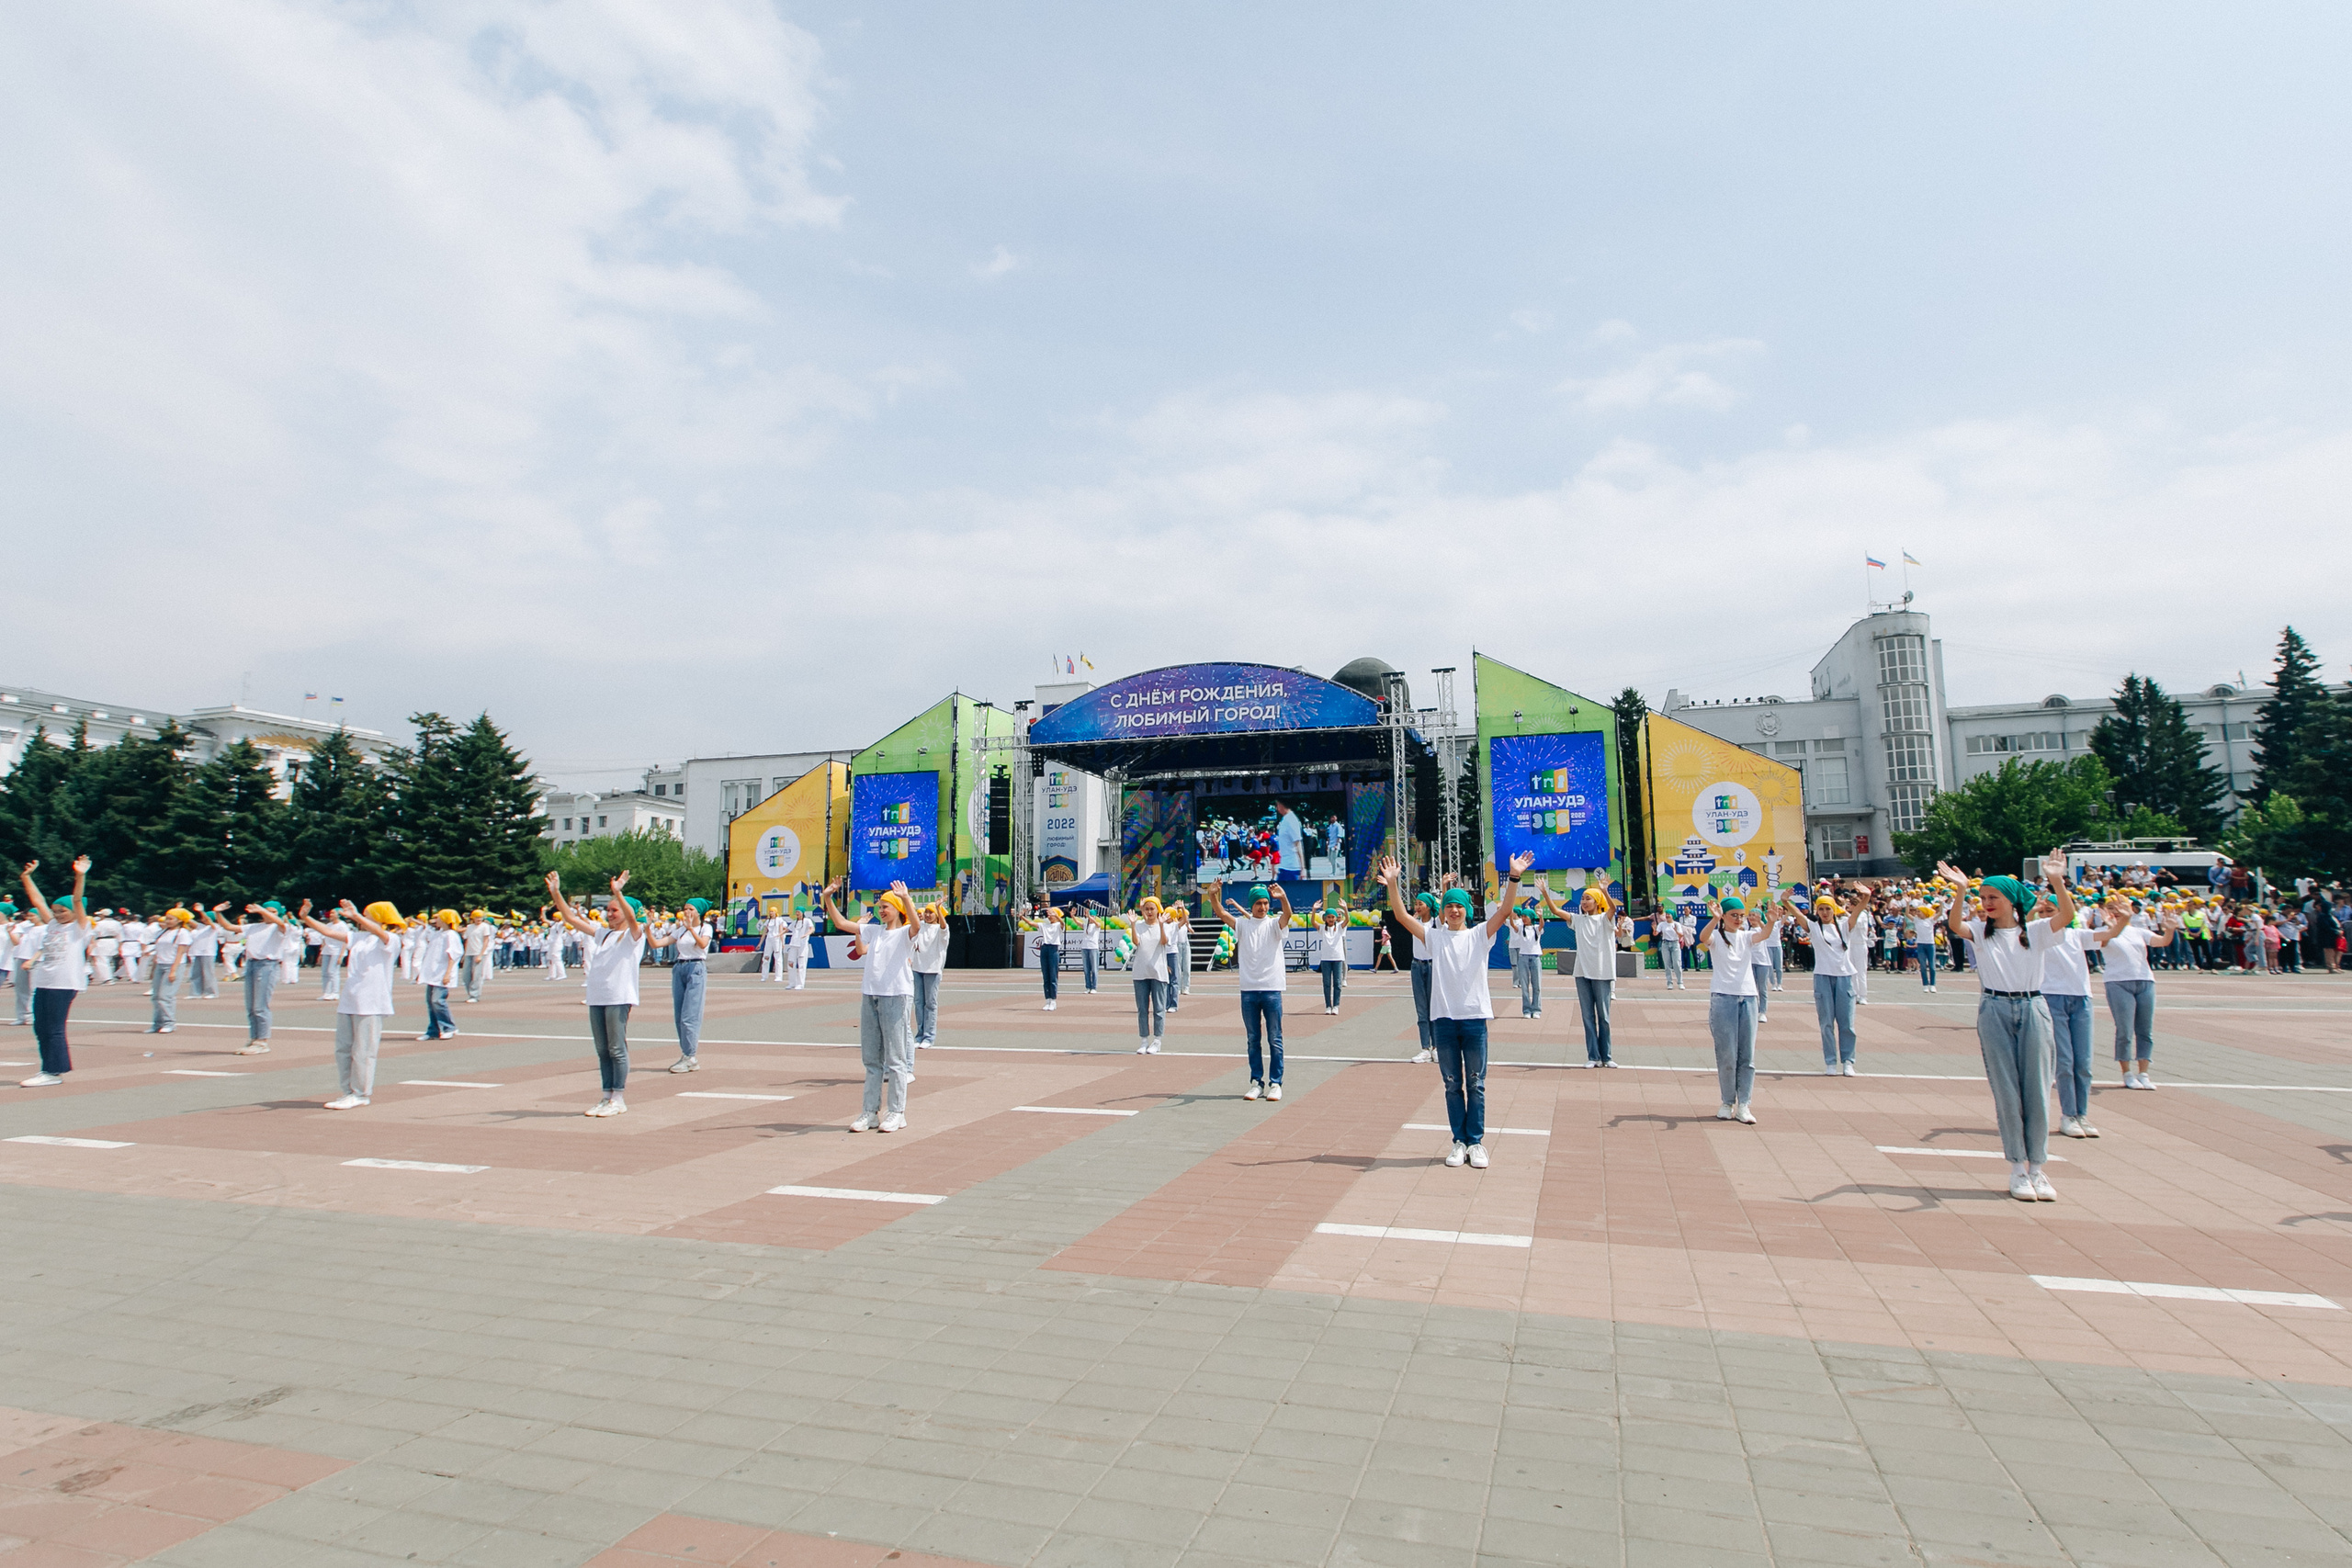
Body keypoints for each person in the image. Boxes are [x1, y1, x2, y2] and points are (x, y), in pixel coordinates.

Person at [1939, 854, 2075, 1201]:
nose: (1986, 904)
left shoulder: (2037, 932)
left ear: (2011, 900)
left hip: (2033, 1007)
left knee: (2038, 1092)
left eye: (1993, 898)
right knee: (2007, 1093)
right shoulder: (1981, 934)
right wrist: (1961, 891)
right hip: (1994, 1009)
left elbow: (2067, 916)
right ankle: (2017, 1169)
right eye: (1982, 898)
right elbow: (1956, 925)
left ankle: (2038, 1170)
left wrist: (2056, 881)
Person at [1383, 851, 1529, 1168]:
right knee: (1452, 1085)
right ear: (1443, 910)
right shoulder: (1434, 937)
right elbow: (1402, 917)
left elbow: (1505, 911)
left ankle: (1476, 1143)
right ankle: (1458, 1142)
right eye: (1449, 905)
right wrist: (1393, 885)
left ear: (1467, 910)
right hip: (1445, 1022)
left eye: (1459, 905)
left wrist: (1514, 876)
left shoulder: (1480, 936)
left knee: (1476, 1083)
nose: (1453, 910)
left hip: (1475, 1020)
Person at [547, 871, 644, 1116]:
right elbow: (570, 917)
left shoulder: (634, 935)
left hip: (619, 997)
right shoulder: (605, 934)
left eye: (614, 910)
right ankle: (606, 1096)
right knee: (602, 1049)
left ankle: (619, 1098)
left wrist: (618, 892)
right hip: (597, 997)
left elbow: (632, 918)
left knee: (616, 1048)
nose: (609, 914)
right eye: (608, 910)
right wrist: (556, 892)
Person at [823, 876, 917, 1132]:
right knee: (872, 1060)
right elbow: (842, 923)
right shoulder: (874, 931)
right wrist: (828, 897)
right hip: (871, 996)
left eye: (886, 906)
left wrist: (906, 898)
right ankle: (870, 1112)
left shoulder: (904, 933)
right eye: (880, 907)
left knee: (896, 1060)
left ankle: (897, 1112)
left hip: (896, 996)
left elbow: (916, 926)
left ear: (897, 909)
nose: (881, 910)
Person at [2087, 890, 2180, 1089]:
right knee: (2125, 1030)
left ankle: (2144, 1072)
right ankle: (2127, 1072)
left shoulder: (2139, 931)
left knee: (2145, 1030)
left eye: (2120, 907)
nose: (2116, 911)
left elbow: (2162, 941)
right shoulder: (2105, 931)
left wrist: (2170, 930)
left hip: (2145, 981)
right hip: (2118, 983)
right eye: (2111, 908)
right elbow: (2103, 942)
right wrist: (2112, 927)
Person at [1210, 878, 1292, 1100]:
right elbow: (1221, 913)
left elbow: (1287, 917)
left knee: (1275, 1038)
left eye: (1266, 903)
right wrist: (1212, 895)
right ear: (1251, 905)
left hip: (1272, 989)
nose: (1263, 907)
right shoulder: (1243, 925)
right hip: (1249, 990)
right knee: (1253, 1038)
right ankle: (1257, 1082)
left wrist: (1283, 898)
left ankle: (1276, 1083)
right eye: (1259, 903)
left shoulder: (1274, 925)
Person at [17, 858, 92, 1086]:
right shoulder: (52, 925)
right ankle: (48, 1069)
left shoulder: (80, 927)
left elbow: (77, 899)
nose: (58, 915)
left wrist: (80, 875)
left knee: (54, 1028)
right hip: (44, 981)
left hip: (64, 983)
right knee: (40, 1027)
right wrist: (26, 877)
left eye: (62, 911)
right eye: (55, 911)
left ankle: (52, 1072)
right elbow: (37, 900)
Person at [1695, 894, 1767, 1123]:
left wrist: (1772, 921)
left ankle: (1744, 1104)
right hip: (1723, 998)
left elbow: (1763, 935)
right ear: (1724, 916)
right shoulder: (1716, 935)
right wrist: (1714, 919)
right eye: (1733, 915)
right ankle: (1727, 1102)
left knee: (1747, 1055)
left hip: (1748, 998)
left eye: (1741, 915)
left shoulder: (1746, 937)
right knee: (1727, 1054)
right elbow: (1703, 937)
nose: (1738, 919)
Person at [1546, 878, 1634, 1066]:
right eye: (1582, 899)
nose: (1584, 902)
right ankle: (1593, 1056)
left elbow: (1613, 909)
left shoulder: (1605, 919)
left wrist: (1605, 891)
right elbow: (1555, 911)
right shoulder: (1578, 920)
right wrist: (1545, 892)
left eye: (1588, 898)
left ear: (1596, 902)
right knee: (1587, 1016)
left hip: (1602, 972)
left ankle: (1607, 1056)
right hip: (1582, 973)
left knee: (1604, 1016)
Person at [2038, 890, 2099, 1139]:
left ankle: (2081, 1115)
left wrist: (2123, 918)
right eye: (2041, 912)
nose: (2044, 917)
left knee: (2083, 1063)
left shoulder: (2076, 935)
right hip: (2052, 998)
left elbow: (2108, 935)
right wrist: (2036, 913)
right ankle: (2068, 1115)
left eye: (2049, 912)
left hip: (2081, 999)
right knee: (2064, 1062)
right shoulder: (2037, 934)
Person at [1792, 887, 1867, 1075]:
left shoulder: (1843, 925)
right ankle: (1830, 1062)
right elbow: (1798, 914)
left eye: (1828, 909)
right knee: (1826, 1023)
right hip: (1822, 977)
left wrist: (1867, 896)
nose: (1825, 913)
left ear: (1834, 910)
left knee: (1846, 1022)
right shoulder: (1814, 927)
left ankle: (1848, 1061)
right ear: (1817, 911)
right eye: (1821, 909)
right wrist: (1786, 901)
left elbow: (1858, 910)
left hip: (1844, 977)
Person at [650, 898, 713, 1072]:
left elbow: (703, 944)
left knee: (690, 1015)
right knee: (679, 1015)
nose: (686, 912)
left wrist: (691, 928)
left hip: (696, 967)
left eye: (690, 909)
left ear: (698, 912)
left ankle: (690, 1056)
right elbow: (657, 944)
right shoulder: (680, 930)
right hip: (680, 968)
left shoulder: (705, 928)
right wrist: (647, 928)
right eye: (685, 909)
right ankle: (686, 1054)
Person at [236, 901, 295, 1055]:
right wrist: (217, 913)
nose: (268, 914)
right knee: (251, 1006)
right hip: (251, 964)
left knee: (260, 1006)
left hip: (267, 965)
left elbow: (280, 923)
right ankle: (254, 1038)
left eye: (273, 911)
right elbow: (230, 928)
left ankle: (262, 1041)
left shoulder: (280, 927)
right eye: (265, 911)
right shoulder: (254, 927)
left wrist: (262, 909)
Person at [1128, 897, 1179, 1053]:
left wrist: (1162, 926)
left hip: (1159, 972)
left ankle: (1157, 1040)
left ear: (1158, 910)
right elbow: (1136, 942)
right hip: (1140, 972)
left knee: (1159, 1008)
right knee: (1142, 1009)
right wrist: (1133, 924)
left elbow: (1164, 941)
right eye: (1147, 909)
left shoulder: (1163, 925)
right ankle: (1144, 1040)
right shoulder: (1140, 926)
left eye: (1152, 909)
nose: (1150, 912)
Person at [417, 909, 462, 1041]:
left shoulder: (451, 935)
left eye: (438, 918)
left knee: (438, 1001)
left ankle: (449, 1027)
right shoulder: (438, 934)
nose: (435, 920)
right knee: (430, 1003)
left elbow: (453, 955)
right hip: (432, 973)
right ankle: (433, 1030)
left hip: (442, 974)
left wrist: (448, 973)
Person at [147, 908, 193, 1033]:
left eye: (171, 919)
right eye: (167, 918)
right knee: (156, 996)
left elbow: (180, 953)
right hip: (160, 965)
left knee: (165, 996)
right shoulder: (162, 932)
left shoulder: (182, 933)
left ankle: (169, 1023)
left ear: (179, 921)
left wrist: (173, 971)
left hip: (172, 965)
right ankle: (157, 1023)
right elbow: (158, 951)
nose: (167, 921)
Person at [1408, 886, 1440, 1061]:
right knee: (1422, 1010)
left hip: (1433, 966)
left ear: (1428, 905)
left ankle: (1436, 1047)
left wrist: (1443, 885)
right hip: (1417, 966)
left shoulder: (1437, 922)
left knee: (1434, 1008)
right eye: (1416, 904)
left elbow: (1442, 910)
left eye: (1421, 904)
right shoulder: (1415, 922)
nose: (1417, 907)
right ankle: (1425, 1048)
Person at [910, 901, 948, 1049]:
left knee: (930, 1004)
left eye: (930, 912)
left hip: (933, 970)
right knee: (919, 1003)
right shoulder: (919, 927)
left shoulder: (940, 929)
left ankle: (929, 1036)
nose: (927, 915)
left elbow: (944, 928)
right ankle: (919, 1035)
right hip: (917, 968)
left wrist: (938, 908)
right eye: (926, 912)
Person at [1506, 899, 1543, 1019]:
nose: (1523, 918)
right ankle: (1527, 1010)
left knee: (1536, 985)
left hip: (1536, 958)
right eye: (1522, 916)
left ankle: (1536, 1009)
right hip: (1523, 958)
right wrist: (1511, 915)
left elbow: (1541, 926)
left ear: (1531, 917)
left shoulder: (1536, 928)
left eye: (1525, 916)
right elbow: (1513, 925)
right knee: (1525, 986)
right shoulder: (1521, 928)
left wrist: (1541, 916)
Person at [1312, 902, 1350, 1014]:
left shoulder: (1339, 927)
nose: (1331, 919)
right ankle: (1328, 1006)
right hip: (1326, 959)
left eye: (1333, 917)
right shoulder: (1323, 928)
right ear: (1325, 918)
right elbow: (1313, 922)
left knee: (1337, 983)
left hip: (1338, 958)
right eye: (1329, 917)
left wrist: (1345, 908)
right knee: (1327, 983)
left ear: (1336, 918)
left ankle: (1336, 1006)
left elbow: (1347, 920)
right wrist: (1314, 910)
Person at [1034, 897, 1062, 1010]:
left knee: (1053, 976)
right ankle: (1047, 1000)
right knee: (1046, 976)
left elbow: (1063, 923)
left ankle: (1053, 1000)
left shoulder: (1058, 925)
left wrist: (1056, 914)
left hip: (1054, 949)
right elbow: (1032, 923)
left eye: (1050, 914)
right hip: (1045, 948)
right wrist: (1021, 917)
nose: (1048, 915)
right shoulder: (1045, 925)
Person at [461, 910, 495, 1002]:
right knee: (465, 976)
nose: (479, 919)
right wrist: (464, 954)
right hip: (469, 953)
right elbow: (467, 940)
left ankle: (474, 995)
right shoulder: (469, 927)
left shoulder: (485, 927)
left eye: (480, 917)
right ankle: (470, 993)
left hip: (479, 953)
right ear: (473, 918)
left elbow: (486, 941)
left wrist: (481, 954)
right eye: (477, 917)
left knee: (476, 975)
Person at [317, 907, 349, 1000]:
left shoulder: (342, 925)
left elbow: (345, 940)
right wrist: (320, 953)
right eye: (330, 913)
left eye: (333, 913)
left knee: (333, 972)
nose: (331, 915)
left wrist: (341, 955)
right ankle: (326, 992)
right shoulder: (329, 925)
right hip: (327, 950)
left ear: (339, 914)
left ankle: (335, 992)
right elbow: (324, 939)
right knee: (324, 972)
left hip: (336, 951)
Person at [1655, 902, 1687, 990]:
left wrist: (1676, 930)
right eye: (1667, 914)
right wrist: (1655, 930)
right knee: (1667, 964)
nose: (1667, 916)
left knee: (1677, 963)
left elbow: (1681, 935)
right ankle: (1669, 983)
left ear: (1672, 915)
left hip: (1675, 944)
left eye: (1669, 914)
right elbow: (1656, 933)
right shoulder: (1662, 924)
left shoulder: (1677, 924)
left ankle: (1680, 982)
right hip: (1665, 944)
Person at [1166, 902, 1192, 1010]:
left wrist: (1182, 908)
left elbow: (1185, 921)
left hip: (1173, 953)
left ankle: (1174, 1004)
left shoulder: (1175, 925)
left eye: (1168, 915)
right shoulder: (1161, 924)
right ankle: (1166, 1004)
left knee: (1174, 979)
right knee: (1165, 980)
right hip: (1163, 953)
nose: (1166, 917)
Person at [1273, 799, 1305, 882]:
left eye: (1277, 805)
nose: (1277, 808)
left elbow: (1298, 844)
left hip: (1292, 867)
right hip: (1285, 865)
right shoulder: (1285, 820)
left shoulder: (1291, 820)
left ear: (1281, 804)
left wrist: (1303, 868)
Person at [786, 907, 817, 989]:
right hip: (793, 944)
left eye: (799, 912)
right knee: (790, 963)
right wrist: (779, 934)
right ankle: (792, 983)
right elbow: (787, 930)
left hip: (802, 945)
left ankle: (800, 984)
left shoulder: (807, 921)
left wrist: (806, 934)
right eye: (796, 912)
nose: (797, 913)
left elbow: (812, 929)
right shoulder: (794, 922)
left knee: (801, 965)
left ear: (802, 912)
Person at [1077, 905, 1103, 994]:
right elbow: (1078, 923)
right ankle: (1088, 986)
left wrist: (1089, 916)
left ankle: (1094, 987)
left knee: (1094, 969)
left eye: (1092, 916)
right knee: (1086, 969)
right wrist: (1072, 916)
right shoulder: (1086, 925)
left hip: (1093, 948)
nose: (1091, 917)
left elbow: (1098, 924)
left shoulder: (1096, 925)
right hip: (1085, 947)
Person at [761, 907, 788, 982]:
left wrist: (782, 942)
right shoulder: (768, 921)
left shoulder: (779, 920)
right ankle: (764, 976)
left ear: (775, 912)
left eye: (772, 911)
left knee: (778, 958)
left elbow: (781, 931)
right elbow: (764, 933)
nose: (771, 913)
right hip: (769, 940)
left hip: (776, 940)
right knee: (766, 958)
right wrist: (760, 943)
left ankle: (779, 976)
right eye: (770, 911)